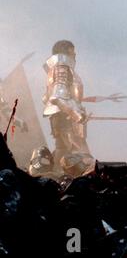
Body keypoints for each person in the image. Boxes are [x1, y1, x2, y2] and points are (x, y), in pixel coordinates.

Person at [42, 40, 91, 168]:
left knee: (63, 150)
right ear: (64, 52)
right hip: (65, 116)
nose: (75, 55)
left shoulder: (56, 69)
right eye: (72, 52)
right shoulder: (62, 67)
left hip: (62, 115)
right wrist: (76, 115)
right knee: (81, 154)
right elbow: (57, 96)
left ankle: (55, 177)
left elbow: (45, 98)